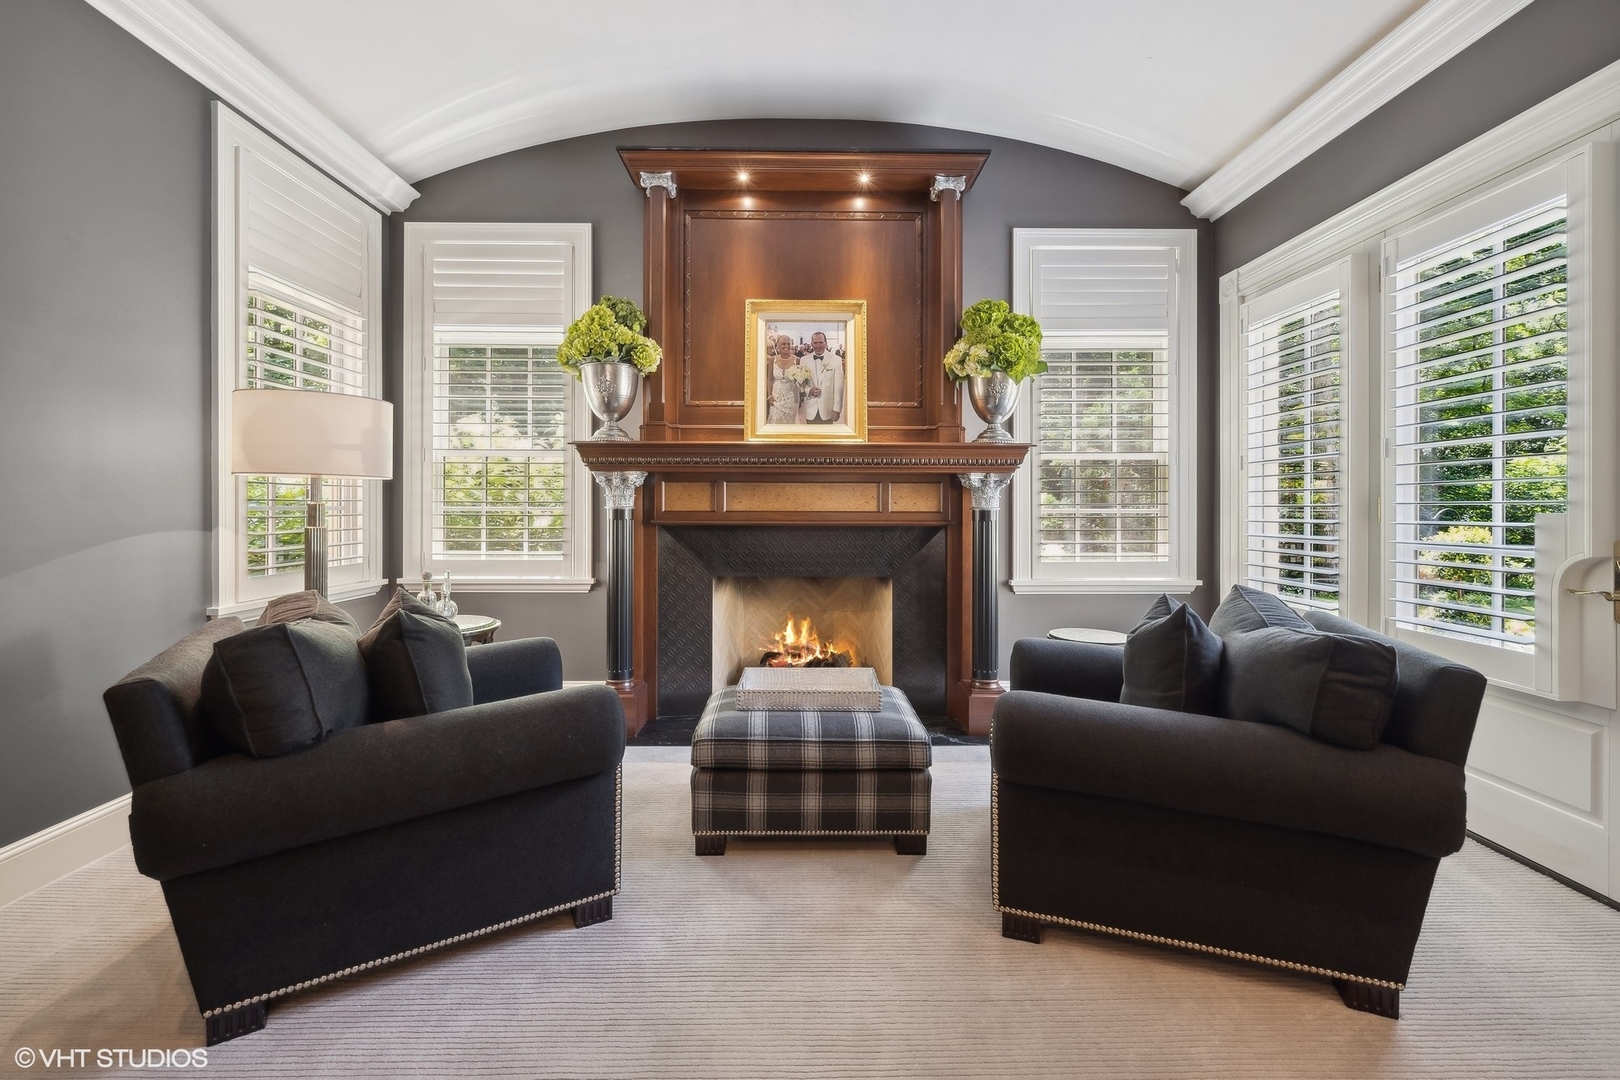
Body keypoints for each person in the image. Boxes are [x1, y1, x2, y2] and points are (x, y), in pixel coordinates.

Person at [802, 331, 843, 424]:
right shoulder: (804, 360)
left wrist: (837, 409)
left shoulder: (836, 360)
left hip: (827, 409)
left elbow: (839, 387)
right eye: (815, 343)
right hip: (810, 408)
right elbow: (801, 384)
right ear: (811, 344)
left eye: (820, 342)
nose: (818, 346)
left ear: (825, 343)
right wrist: (809, 391)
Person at [767, 334, 805, 425]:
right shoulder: (773, 360)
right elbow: (770, 379)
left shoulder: (797, 360)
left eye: (789, 344)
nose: (786, 346)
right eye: (784, 344)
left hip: (791, 398)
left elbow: (801, 379)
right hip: (776, 397)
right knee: (774, 421)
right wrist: (769, 395)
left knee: (790, 423)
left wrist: (801, 380)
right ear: (778, 346)